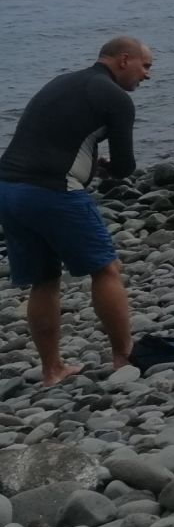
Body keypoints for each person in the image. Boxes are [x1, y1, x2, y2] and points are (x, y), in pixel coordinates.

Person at [0, 37, 151, 386]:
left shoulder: (62, 81)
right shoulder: (116, 98)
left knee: (45, 278)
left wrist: (89, 163)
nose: (147, 75)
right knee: (106, 268)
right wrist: (109, 168)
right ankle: (123, 356)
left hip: (7, 188)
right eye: (146, 66)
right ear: (124, 60)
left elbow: (51, 135)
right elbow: (126, 166)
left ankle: (52, 370)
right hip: (53, 192)